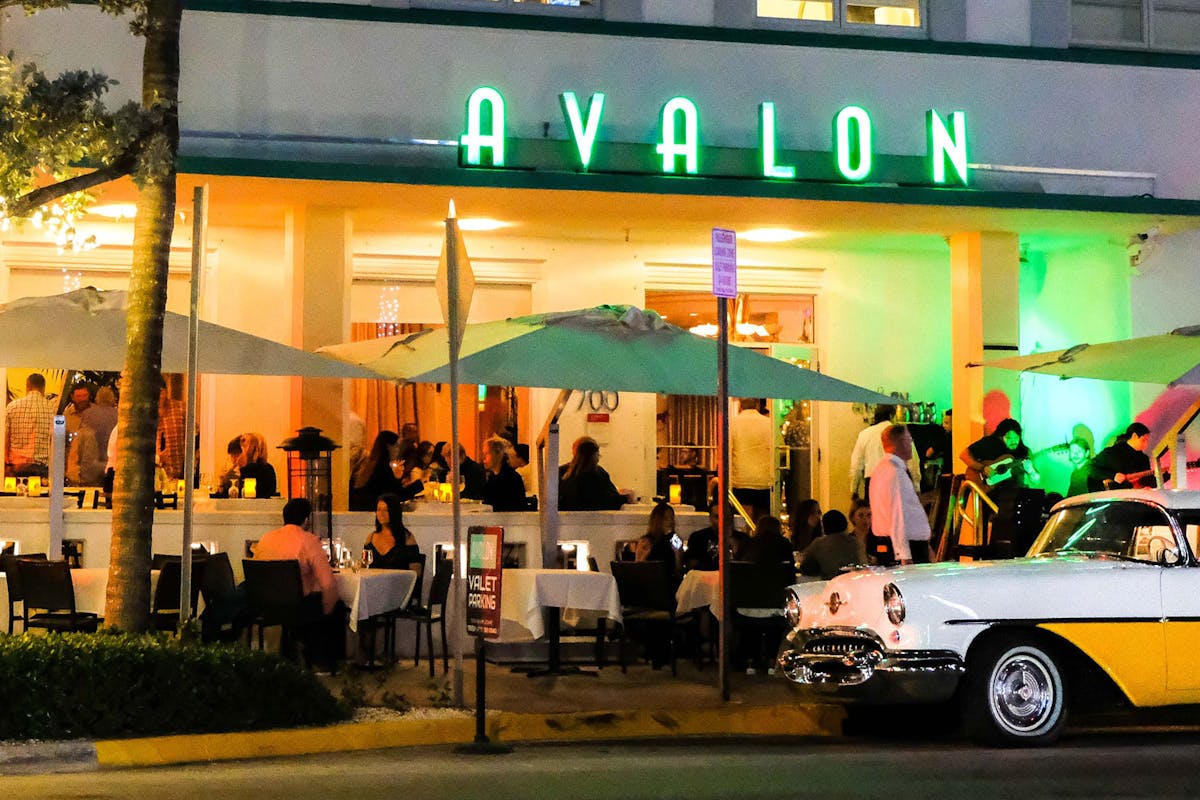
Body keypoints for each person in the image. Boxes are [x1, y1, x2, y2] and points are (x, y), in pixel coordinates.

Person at [254, 498, 346, 671]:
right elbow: (328, 584)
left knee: (312, 605)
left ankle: (292, 652)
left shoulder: (266, 539)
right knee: (336, 606)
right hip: (297, 607)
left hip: (267, 606)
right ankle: (324, 663)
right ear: (306, 519)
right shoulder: (308, 540)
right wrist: (328, 609)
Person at [869, 424, 932, 564]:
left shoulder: (879, 471)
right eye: (909, 440)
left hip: (888, 543)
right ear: (901, 442)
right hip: (906, 547)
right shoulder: (895, 473)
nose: (911, 444)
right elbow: (898, 515)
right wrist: (904, 555)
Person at [850, 404, 919, 501]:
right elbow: (912, 461)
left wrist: (854, 490)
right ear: (891, 415)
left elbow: (856, 465)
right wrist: (916, 487)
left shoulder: (864, 434)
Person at [349, 431, 420, 511]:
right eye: (396, 446)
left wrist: (397, 478)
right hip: (371, 514)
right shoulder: (383, 468)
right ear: (388, 447)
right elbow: (396, 495)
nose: (398, 450)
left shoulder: (371, 464)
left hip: (363, 512)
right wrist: (419, 485)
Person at [961, 418, 1039, 490]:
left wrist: (1031, 471)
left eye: (1016, 437)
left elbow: (1035, 480)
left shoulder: (1024, 451)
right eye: (1008, 438)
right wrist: (982, 468)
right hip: (988, 491)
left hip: (1014, 492)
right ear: (1000, 437)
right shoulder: (988, 443)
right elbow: (964, 455)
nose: (1013, 441)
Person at [730, 397, 774, 522]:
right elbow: (779, 448)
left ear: (740, 406)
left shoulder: (733, 423)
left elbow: (727, 450)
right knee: (762, 522)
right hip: (764, 481)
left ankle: (747, 540)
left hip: (741, 480)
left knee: (744, 521)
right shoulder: (769, 423)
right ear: (757, 405)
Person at [5, 373, 54, 477]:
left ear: (27, 386)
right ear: (43, 388)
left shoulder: (12, 407)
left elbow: (6, 437)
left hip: (17, 465)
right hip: (42, 467)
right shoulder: (52, 408)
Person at [558, 436, 627, 511]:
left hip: (566, 521)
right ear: (595, 455)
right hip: (594, 521)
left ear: (574, 451)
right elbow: (611, 502)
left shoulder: (561, 472)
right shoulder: (599, 474)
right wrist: (626, 497)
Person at [798, 509, 867, 580]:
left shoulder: (819, 544)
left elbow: (806, 569)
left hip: (831, 585)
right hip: (856, 583)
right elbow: (864, 565)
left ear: (824, 527)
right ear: (845, 524)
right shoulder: (856, 542)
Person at [364, 492, 423, 573]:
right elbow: (364, 568)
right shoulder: (371, 538)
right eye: (378, 510)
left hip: (397, 583)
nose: (381, 514)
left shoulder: (406, 538)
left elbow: (416, 571)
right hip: (373, 583)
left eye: (386, 510)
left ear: (394, 512)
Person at [1088, 422, 1153, 491]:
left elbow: (1147, 481)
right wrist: (1113, 476)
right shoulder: (1112, 452)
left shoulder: (1144, 459)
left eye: (1147, 441)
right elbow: (1090, 468)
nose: (1146, 444)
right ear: (1134, 436)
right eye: (1143, 440)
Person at [481, 435, 527, 511]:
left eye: (487, 454)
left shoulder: (511, 479)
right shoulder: (492, 477)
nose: (483, 458)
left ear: (498, 454)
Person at [156, 384, 188, 482]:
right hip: (155, 475)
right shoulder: (145, 412)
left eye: (160, 391)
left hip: (179, 473)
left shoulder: (180, 408)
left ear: (165, 392)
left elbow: (194, 435)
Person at [850, 497, 892, 566]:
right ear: (852, 518)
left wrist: (877, 560)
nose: (865, 519)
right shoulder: (848, 541)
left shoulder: (880, 540)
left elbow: (887, 558)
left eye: (869, 515)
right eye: (861, 516)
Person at [236, 432, 278, 498]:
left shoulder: (250, 469)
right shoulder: (269, 468)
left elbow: (245, 495)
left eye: (244, 447)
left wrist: (241, 469)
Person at [684, 506, 721, 572]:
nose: (721, 521)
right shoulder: (697, 538)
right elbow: (690, 566)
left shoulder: (741, 540)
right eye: (717, 517)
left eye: (725, 516)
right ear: (710, 518)